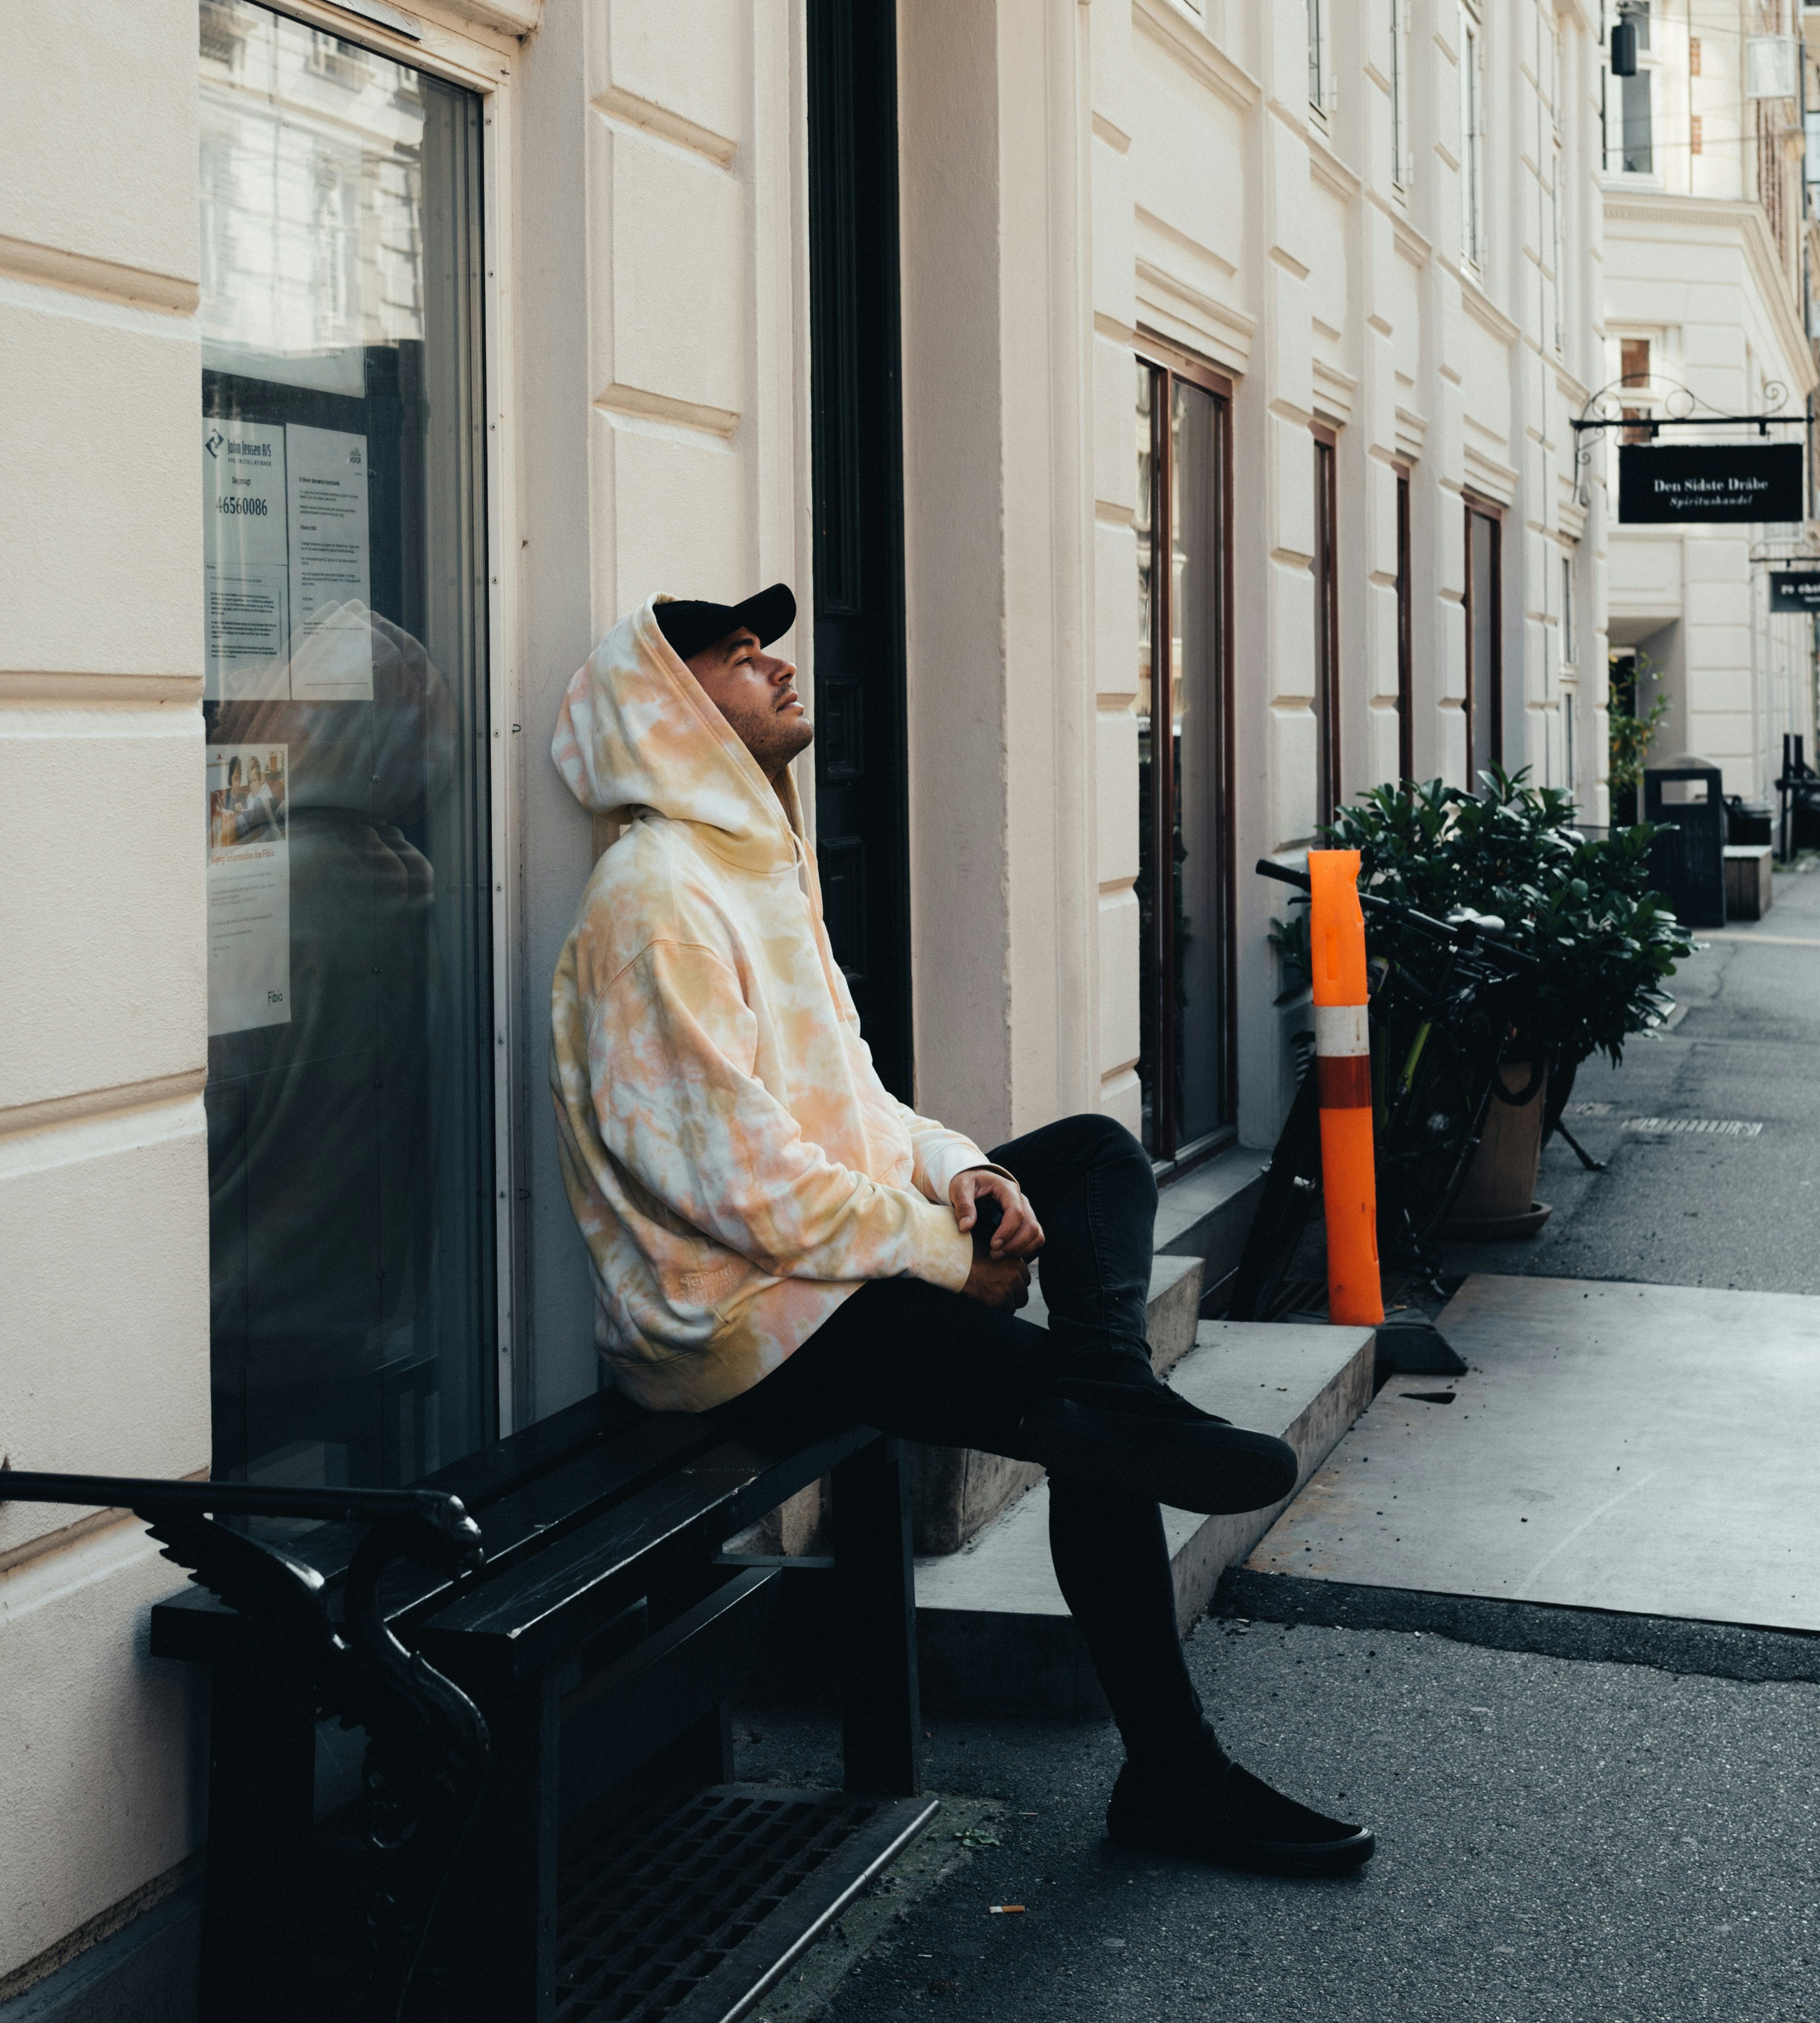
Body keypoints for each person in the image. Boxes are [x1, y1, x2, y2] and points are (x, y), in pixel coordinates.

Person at [548, 584, 1372, 1878]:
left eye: (771, 644)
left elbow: (856, 1101)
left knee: (1092, 1159)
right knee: (1079, 1424)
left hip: (822, 1272)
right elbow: (729, 1180)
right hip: (734, 1320)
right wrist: (943, 1251)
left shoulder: (757, 867)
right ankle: (1172, 1769)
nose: (776, 665)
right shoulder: (654, 896)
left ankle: (1105, 1371)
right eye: (736, 654)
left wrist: (965, 1174)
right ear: (666, 709)